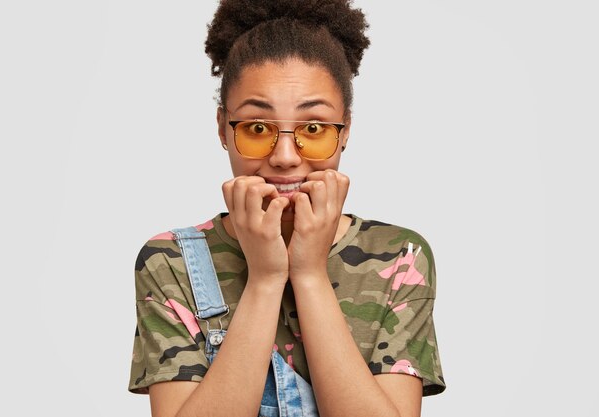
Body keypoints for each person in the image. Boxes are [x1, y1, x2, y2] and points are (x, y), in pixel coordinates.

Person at [129, 1, 446, 416]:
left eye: (312, 129)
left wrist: (310, 274)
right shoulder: (171, 261)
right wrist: (264, 279)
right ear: (224, 128)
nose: (284, 156)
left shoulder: (400, 257)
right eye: (257, 128)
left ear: (345, 130)